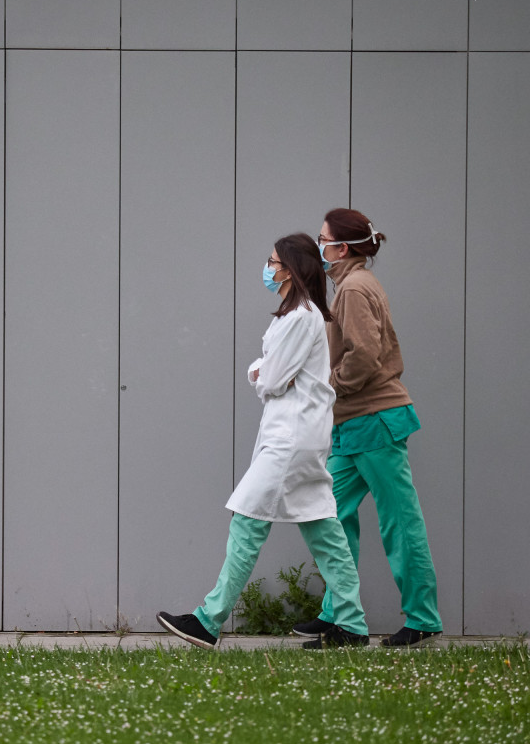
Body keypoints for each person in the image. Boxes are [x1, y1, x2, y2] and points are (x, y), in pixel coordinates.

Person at [157, 234, 370, 650]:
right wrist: (266, 371)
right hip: (301, 437)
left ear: (290, 269)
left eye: (273, 262)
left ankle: (208, 620)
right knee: (325, 532)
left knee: (247, 522)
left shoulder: (299, 318)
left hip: (290, 441)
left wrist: (258, 370)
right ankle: (352, 623)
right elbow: (274, 375)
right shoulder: (300, 316)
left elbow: (271, 379)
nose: (268, 269)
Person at [292, 208, 443, 648]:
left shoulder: (355, 289)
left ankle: (423, 619)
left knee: (400, 522)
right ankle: (339, 615)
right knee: (330, 516)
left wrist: (328, 389)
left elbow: (363, 354)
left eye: (323, 239)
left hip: (374, 419)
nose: (318, 245)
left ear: (342, 248)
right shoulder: (351, 285)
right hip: (354, 422)